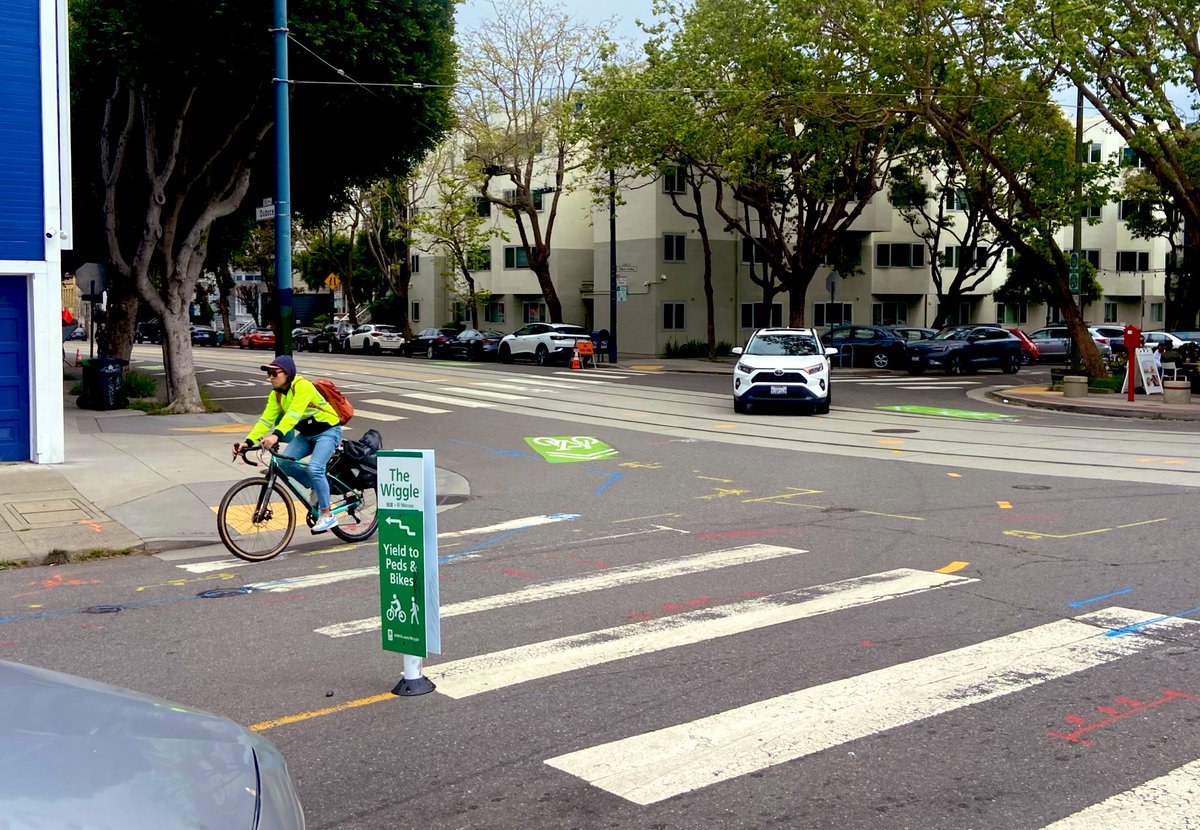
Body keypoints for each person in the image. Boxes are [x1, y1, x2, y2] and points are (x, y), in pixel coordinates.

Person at [233, 355, 342, 533]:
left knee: (316, 468)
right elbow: (265, 420)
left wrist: (276, 436)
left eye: (274, 373)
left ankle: (327, 515)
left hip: (328, 431)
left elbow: (293, 414)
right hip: (307, 434)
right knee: (283, 463)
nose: (271, 377)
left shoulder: (303, 386)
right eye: (269, 373)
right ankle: (319, 486)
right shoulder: (276, 395)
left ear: (287, 373)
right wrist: (248, 442)